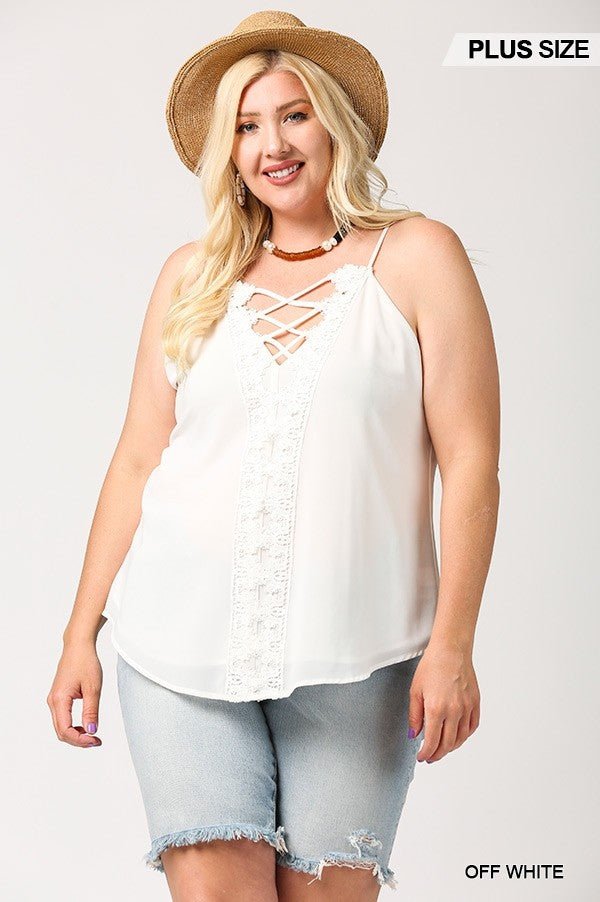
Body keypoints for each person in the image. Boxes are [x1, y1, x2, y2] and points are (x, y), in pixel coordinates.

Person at [47, 10, 500, 902]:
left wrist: (454, 645)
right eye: (247, 127)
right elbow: (137, 461)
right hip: (176, 648)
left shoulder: (418, 257)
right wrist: (78, 635)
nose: (273, 146)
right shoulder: (191, 277)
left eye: (294, 115)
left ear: (335, 123)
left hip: (363, 658)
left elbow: (473, 465)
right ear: (227, 152)